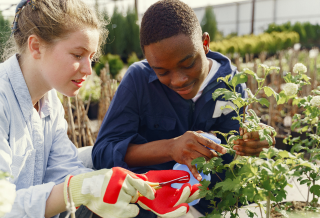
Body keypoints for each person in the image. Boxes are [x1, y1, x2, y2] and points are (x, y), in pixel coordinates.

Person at [0, 0, 199, 217]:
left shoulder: (49, 102)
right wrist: (80, 189)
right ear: (36, 46)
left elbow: (64, 169)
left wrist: (140, 188)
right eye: (78, 55)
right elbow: (4, 205)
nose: (88, 70)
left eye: (91, 58)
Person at [92, 0, 275, 217]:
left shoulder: (230, 84)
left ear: (205, 43)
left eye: (188, 64)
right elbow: (102, 153)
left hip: (207, 206)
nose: (178, 80)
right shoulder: (138, 80)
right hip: (148, 206)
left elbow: (233, 156)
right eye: (162, 72)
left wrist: (252, 144)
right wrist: (170, 148)